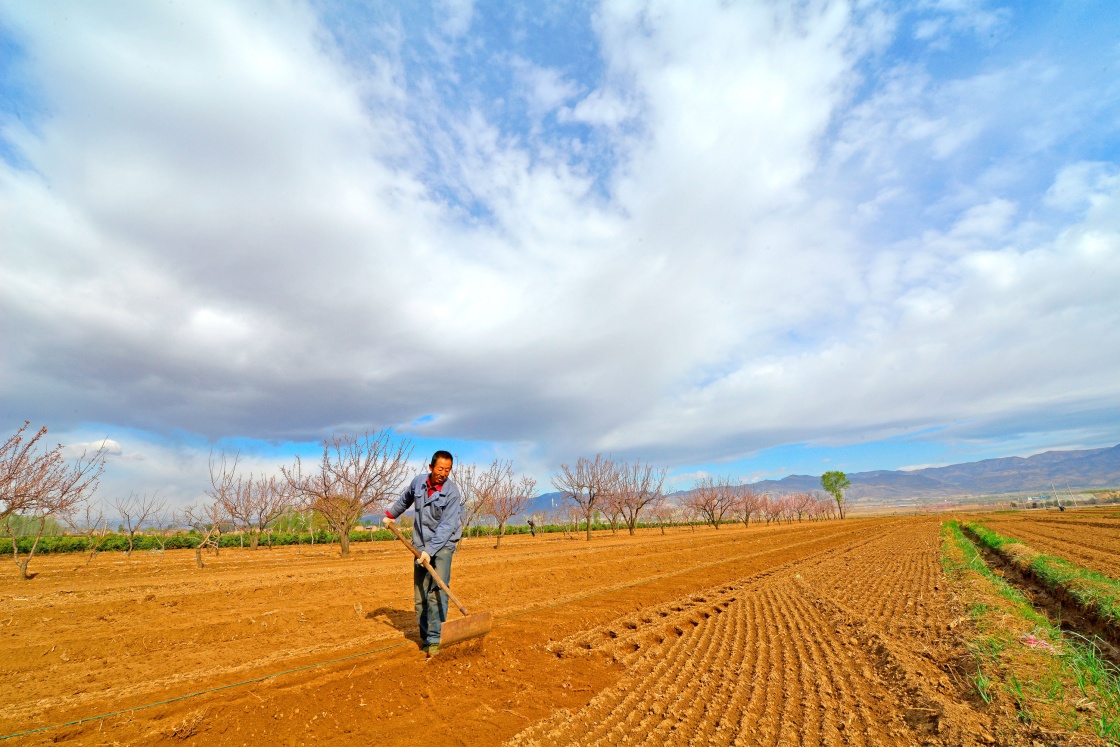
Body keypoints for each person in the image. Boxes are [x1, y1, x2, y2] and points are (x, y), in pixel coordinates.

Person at [383, 450, 462, 657]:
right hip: (420, 545)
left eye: (448, 470)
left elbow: (446, 527)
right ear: (431, 468)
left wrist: (430, 551)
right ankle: (426, 638)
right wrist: (391, 515)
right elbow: (405, 499)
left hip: (443, 545)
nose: (443, 473)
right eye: (440, 469)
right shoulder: (418, 483)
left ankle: (436, 640)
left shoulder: (452, 493)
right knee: (420, 595)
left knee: (437, 592)